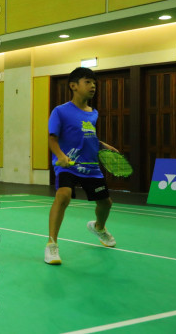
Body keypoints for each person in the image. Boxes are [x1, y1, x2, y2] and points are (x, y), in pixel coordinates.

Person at [45, 67, 119, 265]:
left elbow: (87, 136)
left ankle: (99, 227)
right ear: (73, 86)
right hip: (68, 165)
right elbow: (52, 138)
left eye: (94, 83)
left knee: (106, 203)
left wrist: (102, 145)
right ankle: (52, 244)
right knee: (63, 195)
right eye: (88, 82)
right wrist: (60, 156)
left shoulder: (93, 113)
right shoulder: (60, 111)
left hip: (90, 167)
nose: (93, 86)